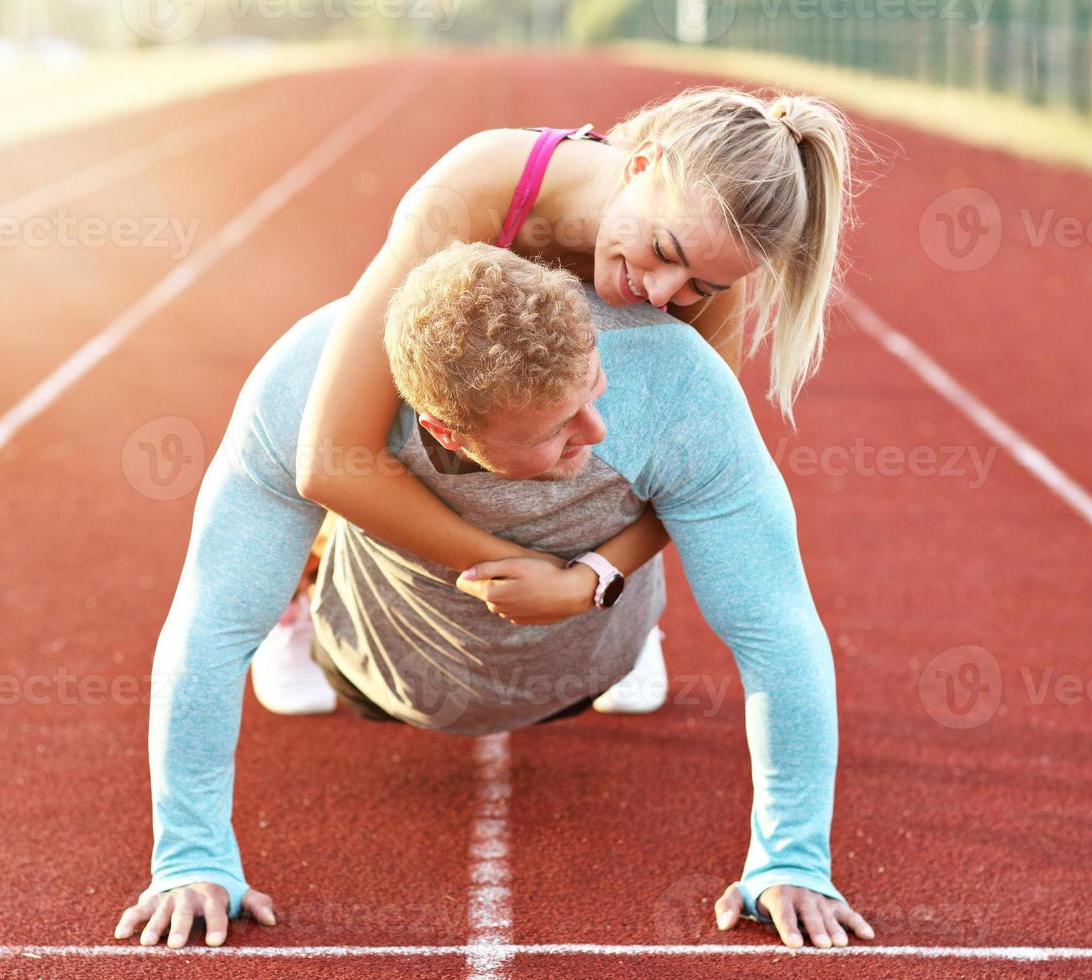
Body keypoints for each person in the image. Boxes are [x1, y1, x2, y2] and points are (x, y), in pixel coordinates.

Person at [115, 242, 871, 952]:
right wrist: (191, 855)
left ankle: (637, 626)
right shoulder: (304, 383)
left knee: (660, 488)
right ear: (444, 429)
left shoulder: (677, 381)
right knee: (275, 562)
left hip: (594, 655)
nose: (596, 426)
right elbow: (211, 622)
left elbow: (776, 627)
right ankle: (301, 601)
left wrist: (792, 857)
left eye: (593, 391)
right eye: (555, 428)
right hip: (382, 667)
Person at [254, 86, 852, 717]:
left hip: (579, 527)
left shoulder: (705, 264)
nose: (662, 292)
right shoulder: (476, 188)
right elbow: (329, 456)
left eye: (700, 284)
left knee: (635, 428)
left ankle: (637, 620)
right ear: (642, 165)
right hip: (446, 434)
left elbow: (694, 475)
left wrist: (593, 581)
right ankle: (300, 600)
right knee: (380, 408)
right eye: (663, 253)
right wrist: (515, 569)